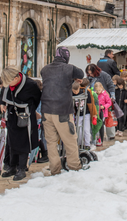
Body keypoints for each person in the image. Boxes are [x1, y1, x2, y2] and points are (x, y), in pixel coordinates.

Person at [40, 46, 86, 175]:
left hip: (46, 111)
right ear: (66, 57)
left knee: (51, 142)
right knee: (69, 140)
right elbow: (81, 74)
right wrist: (74, 78)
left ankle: (55, 169)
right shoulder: (69, 68)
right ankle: (74, 167)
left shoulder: (44, 69)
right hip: (62, 111)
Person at [0, 66, 41, 181]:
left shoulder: (30, 85)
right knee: (12, 141)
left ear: (17, 77)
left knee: (24, 142)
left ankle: (21, 168)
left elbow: (37, 98)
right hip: (12, 115)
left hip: (25, 116)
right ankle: (12, 167)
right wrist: (2, 103)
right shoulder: (8, 85)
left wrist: (31, 111)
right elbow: (4, 92)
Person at [72, 80, 95, 150]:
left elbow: (91, 104)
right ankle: (79, 144)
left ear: (79, 88)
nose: (75, 93)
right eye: (74, 91)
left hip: (86, 113)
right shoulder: (71, 94)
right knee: (79, 129)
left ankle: (87, 144)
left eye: (76, 91)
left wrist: (94, 114)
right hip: (78, 114)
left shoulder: (85, 92)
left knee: (86, 129)